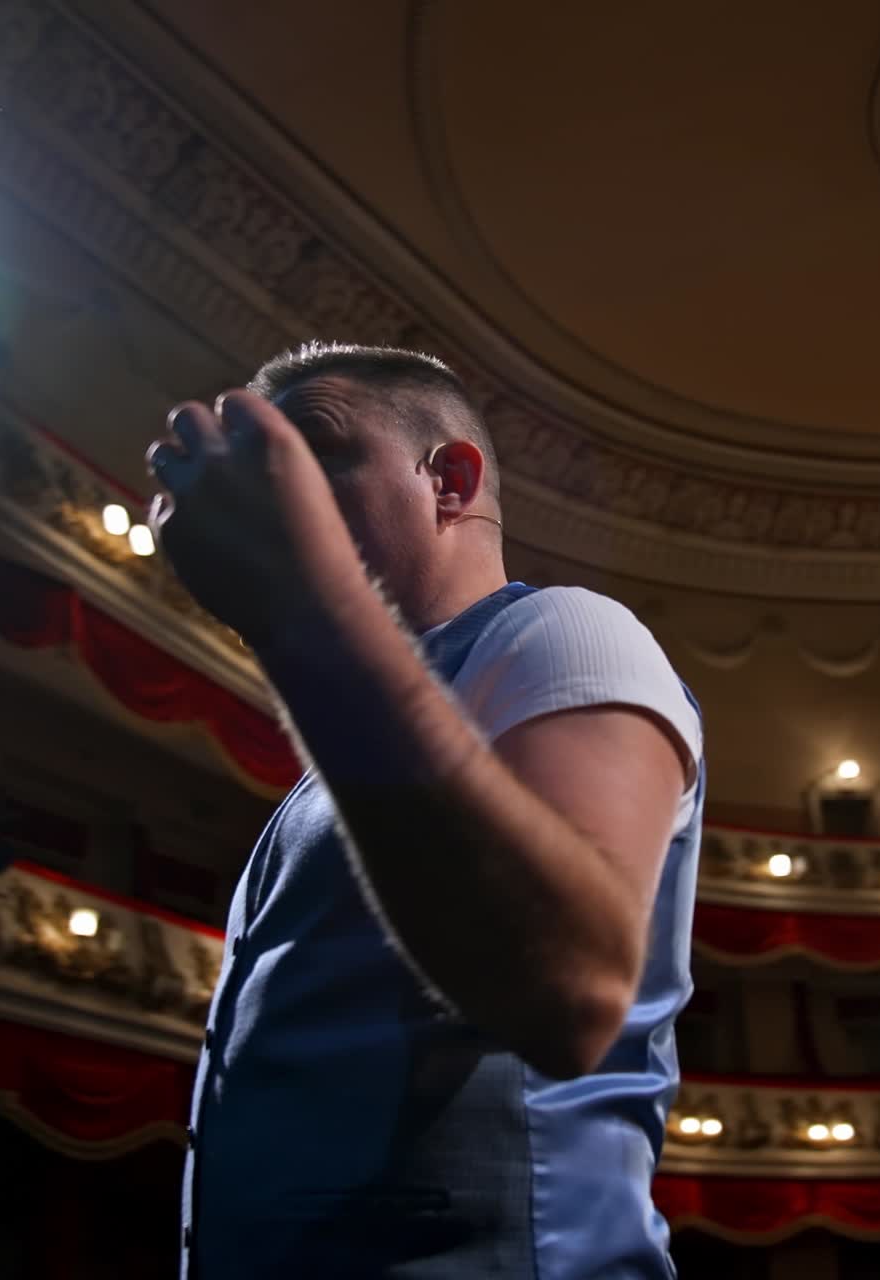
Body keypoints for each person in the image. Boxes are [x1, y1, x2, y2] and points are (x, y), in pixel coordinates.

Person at [145, 342, 705, 1278]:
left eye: (313, 449)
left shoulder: (561, 626)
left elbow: (572, 989)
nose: (273, 490)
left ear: (449, 480)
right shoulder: (345, 758)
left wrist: (294, 607)